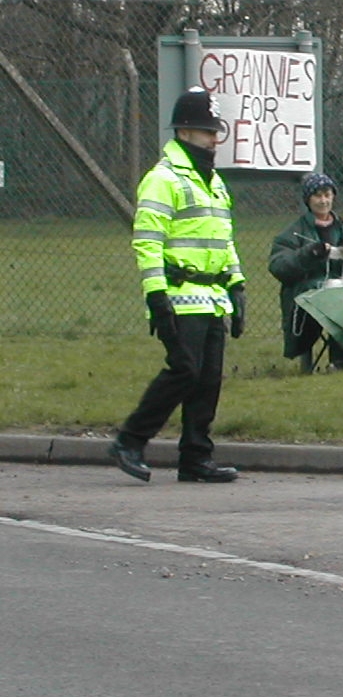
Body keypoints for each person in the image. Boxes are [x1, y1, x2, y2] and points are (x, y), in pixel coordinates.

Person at [107, 88, 244, 484]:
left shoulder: (213, 182)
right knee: (184, 371)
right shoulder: (163, 179)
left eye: (216, 131)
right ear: (185, 131)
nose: (214, 139)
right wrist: (156, 296)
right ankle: (130, 440)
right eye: (207, 131)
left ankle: (196, 457)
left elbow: (223, 236)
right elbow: (147, 242)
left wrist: (236, 284)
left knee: (208, 378)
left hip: (213, 296)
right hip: (179, 295)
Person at [268, 171, 343, 372]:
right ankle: (333, 361)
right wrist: (308, 254)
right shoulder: (294, 232)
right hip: (309, 295)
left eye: (328, 194)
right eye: (318, 195)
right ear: (308, 200)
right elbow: (279, 265)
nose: (324, 201)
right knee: (336, 303)